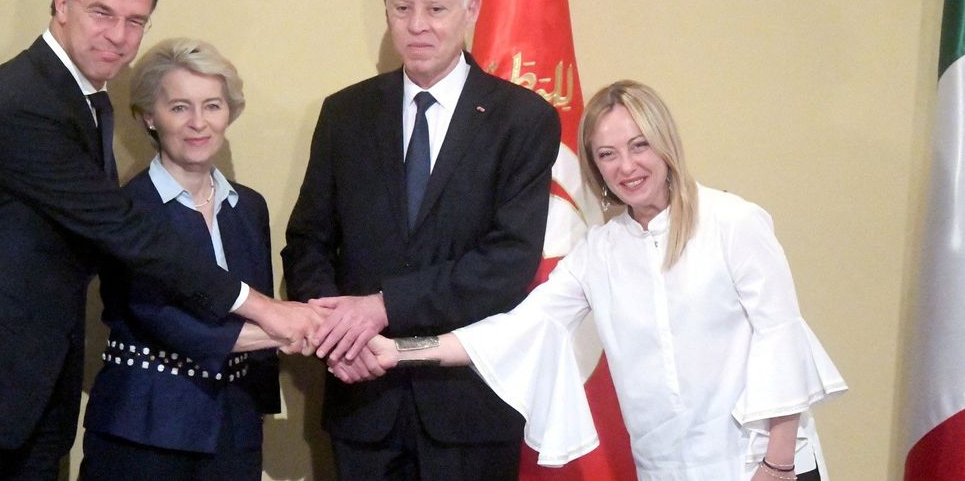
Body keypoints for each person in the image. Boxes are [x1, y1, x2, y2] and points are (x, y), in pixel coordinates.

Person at [0, 0, 319, 480]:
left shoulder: (84, 100)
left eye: (136, 21)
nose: (119, 36)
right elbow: (126, 232)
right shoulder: (21, 104)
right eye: (102, 12)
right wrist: (266, 308)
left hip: (22, 399)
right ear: (61, 2)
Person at [348, 80, 848, 481]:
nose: (626, 167)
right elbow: (517, 330)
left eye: (638, 146)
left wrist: (778, 463)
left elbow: (781, 341)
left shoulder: (734, 222)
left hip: (760, 465)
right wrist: (399, 351)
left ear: (665, 143)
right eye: (607, 155)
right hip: (667, 468)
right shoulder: (600, 253)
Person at [281, 0, 562, 480]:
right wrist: (336, 334)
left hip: (469, 411)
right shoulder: (345, 114)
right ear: (386, 10)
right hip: (360, 400)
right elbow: (308, 242)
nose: (418, 25)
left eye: (436, 9)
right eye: (402, 8)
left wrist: (383, 308)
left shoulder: (522, 120)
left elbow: (506, 264)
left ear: (470, 10)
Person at [79, 39, 281, 480]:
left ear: (229, 113)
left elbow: (258, 305)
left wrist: (292, 331)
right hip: (144, 431)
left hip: (233, 431)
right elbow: (166, 321)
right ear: (150, 116)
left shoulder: (249, 208)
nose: (198, 124)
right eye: (179, 108)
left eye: (212, 106)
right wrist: (297, 329)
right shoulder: (125, 212)